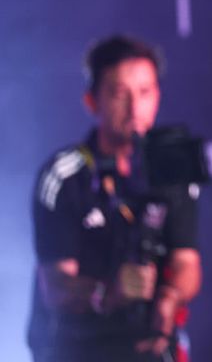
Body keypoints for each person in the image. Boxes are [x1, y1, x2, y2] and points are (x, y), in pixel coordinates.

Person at [27, 35, 202, 362]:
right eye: (120, 94)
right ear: (92, 101)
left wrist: (169, 296)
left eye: (145, 92)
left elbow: (187, 261)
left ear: (158, 97)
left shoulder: (175, 166)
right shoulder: (63, 176)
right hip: (75, 351)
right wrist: (106, 293)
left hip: (149, 347)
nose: (135, 107)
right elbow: (55, 285)